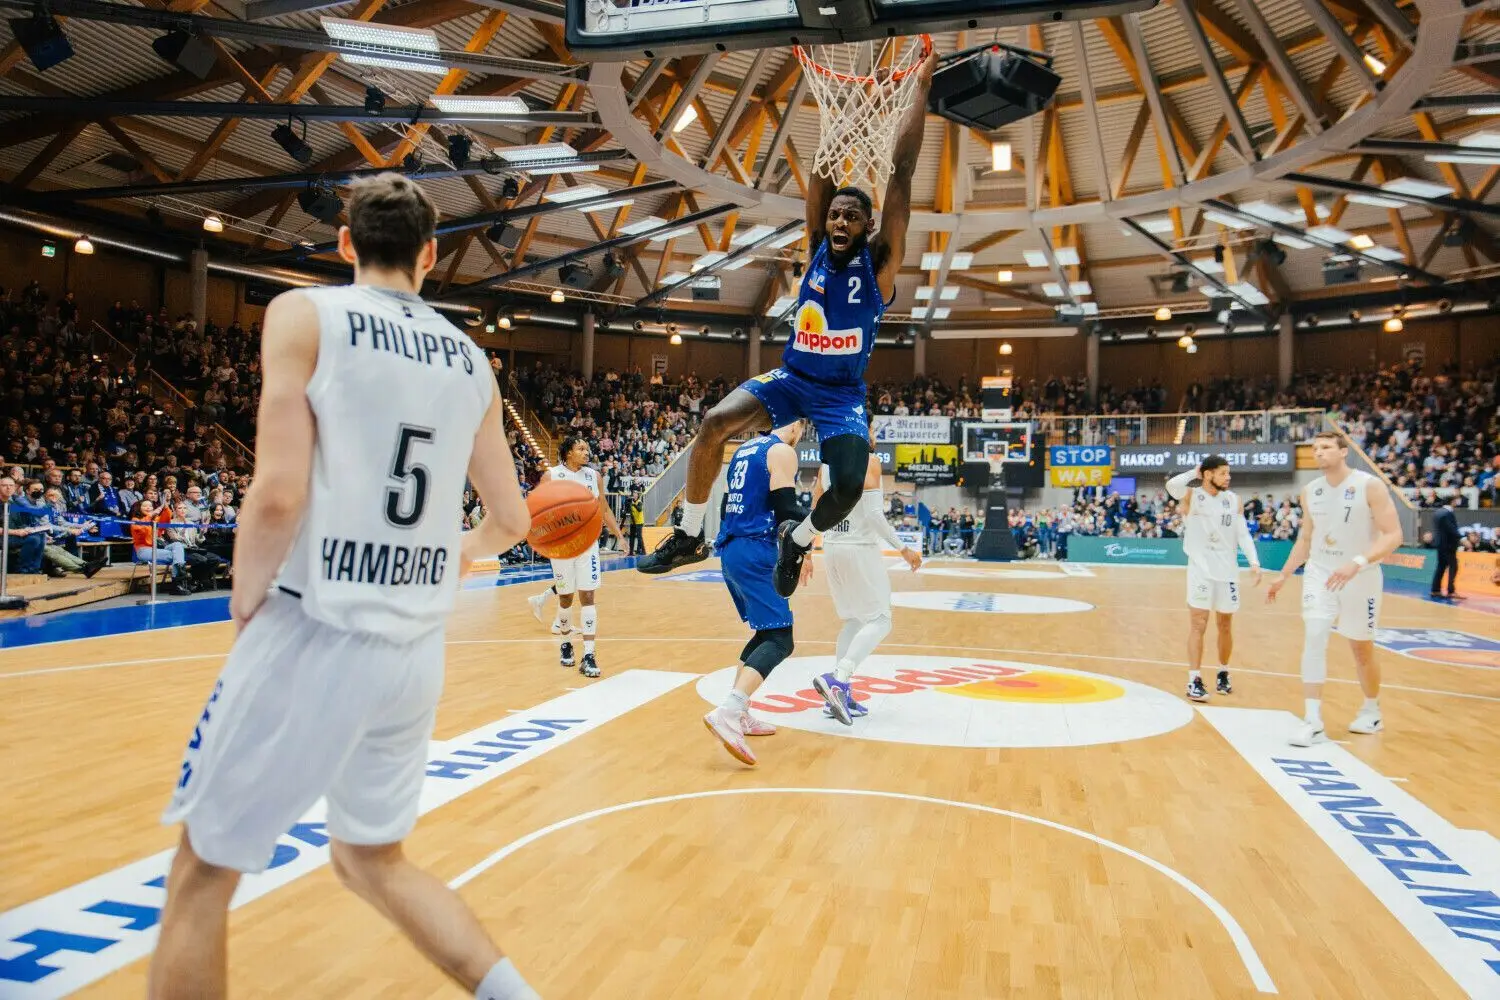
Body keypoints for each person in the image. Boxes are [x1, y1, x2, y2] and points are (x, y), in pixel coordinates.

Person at [146, 173, 540, 1000]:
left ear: (346, 242)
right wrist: (459, 551)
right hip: (414, 653)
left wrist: (246, 599)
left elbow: (277, 493)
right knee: (371, 859)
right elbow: (511, 519)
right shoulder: (472, 360)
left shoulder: (306, 315)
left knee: (199, 878)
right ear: (430, 255)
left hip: (314, 629)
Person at [636, 50, 937, 601]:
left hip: (841, 395)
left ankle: (797, 541)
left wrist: (920, 87)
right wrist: (839, 103)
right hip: (793, 380)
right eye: (835, 213)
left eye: (851, 216)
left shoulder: (880, 263)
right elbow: (822, 165)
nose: (839, 220)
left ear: (868, 225)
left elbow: (903, 172)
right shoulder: (817, 245)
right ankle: (690, 534)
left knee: (848, 486)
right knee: (713, 423)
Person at [1267, 431, 1404, 747]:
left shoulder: (1369, 485)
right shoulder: (1310, 491)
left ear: (1343, 452)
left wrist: (1358, 561)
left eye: (1326, 447)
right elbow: (1306, 539)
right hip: (1320, 572)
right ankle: (1313, 720)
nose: (1319, 452)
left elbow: (1393, 534)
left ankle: (1371, 710)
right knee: (1314, 635)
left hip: (1361, 575)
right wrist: (1284, 575)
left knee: (1361, 647)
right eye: (1315, 448)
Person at [703, 422, 814, 766]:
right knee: (781, 639)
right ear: (795, 424)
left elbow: (726, 504)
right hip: (756, 549)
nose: (803, 432)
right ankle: (729, 710)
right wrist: (802, 550)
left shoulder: (743, 450)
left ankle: (740, 712)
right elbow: (787, 512)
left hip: (732, 548)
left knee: (765, 633)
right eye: (803, 424)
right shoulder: (781, 451)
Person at [809, 421, 921, 725]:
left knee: (854, 620)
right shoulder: (869, 460)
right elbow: (872, 514)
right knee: (881, 619)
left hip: (832, 547)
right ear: (861, 431)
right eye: (871, 429)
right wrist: (903, 548)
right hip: (858, 547)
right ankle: (839, 678)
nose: (874, 435)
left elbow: (816, 506)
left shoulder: (826, 465)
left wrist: (806, 549)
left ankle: (839, 695)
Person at [1166, 455, 1260, 702]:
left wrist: (1254, 562)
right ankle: (1194, 680)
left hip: (1227, 571)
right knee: (1198, 624)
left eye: (1228, 473)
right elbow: (1172, 486)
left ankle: (1223, 672)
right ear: (1208, 474)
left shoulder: (1234, 500)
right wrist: (1193, 472)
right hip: (1200, 570)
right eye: (1223, 473)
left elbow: (1243, 534)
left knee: (1225, 624)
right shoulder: (1192, 496)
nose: (1228, 477)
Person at [536, 435, 627, 679]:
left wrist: (619, 535)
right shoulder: (551, 476)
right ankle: (566, 643)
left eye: (587, 449)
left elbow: (603, 508)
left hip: (587, 544)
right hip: (562, 546)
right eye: (581, 448)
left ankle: (589, 655)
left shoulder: (593, 476)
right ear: (568, 452)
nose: (587, 452)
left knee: (588, 596)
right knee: (566, 597)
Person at [1429, 493, 1462, 600]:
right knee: (1453, 566)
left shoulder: (1438, 512)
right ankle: (1451, 591)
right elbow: (1451, 529)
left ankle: (1435, 590)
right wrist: (1462, 538)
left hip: (1440, 544)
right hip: (1448, 545)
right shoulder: (1447, 513)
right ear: (1452, 501)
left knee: (1441, 567)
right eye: (1456, 500)